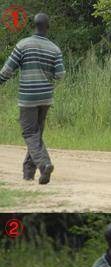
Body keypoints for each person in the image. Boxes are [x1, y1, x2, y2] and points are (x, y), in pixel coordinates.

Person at [0, 13, 65, 184]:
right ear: (48, 27)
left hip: (28, 97)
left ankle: (44, 164)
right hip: (45, 98)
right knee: (36, 135)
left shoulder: (23, 44)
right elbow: (60, 74)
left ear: (33, 26)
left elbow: (7, 70)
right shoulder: (54, 48)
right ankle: (29, 174)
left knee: (29, 133)